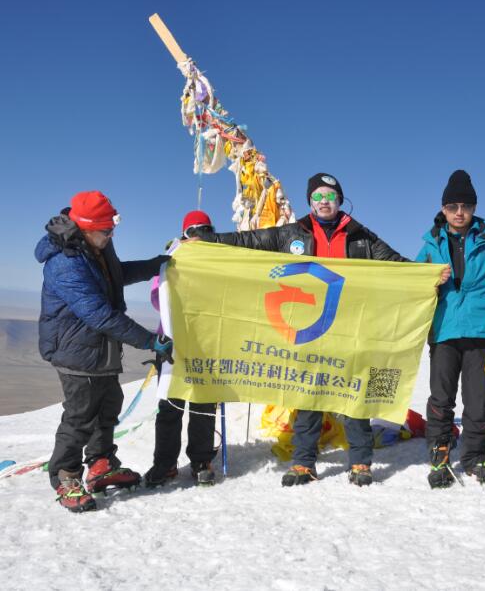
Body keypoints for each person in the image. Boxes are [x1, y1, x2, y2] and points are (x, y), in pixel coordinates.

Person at [198, 172, 419, 487]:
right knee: (308, 396)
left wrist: (429, 275)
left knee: (353, 395)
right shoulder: (294, 233)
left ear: (339, 200)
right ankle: (303, 463)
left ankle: (360, 462)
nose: (324, 201)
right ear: (310, 202)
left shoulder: (361, 237)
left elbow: (397, 264)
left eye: (330, 196)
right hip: (309, 328)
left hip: (351, 328)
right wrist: (207, 241)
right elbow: (249, 242)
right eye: (317, 196)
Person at [35, 191, 173, 512]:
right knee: (80, 416)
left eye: (113, 229)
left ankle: (100, 465)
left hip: (100, 348)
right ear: (86, 228)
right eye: (106, 230)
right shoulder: (65, 261)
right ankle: (66, 477)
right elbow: (99, 315)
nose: (111, 235)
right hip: (75, 349)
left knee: (109, 404)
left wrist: (155, 265)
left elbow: (115, 275)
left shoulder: (96, 244)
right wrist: (149, 340)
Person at [416, 170, 485, 488]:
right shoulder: (430, 245)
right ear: (443, 208)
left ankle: (475, 457)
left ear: (474, 208)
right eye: (453, 206)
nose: (459, 212)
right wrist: (432, 281)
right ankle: (439, 455)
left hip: (482, 333)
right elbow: (414, 288)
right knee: (441, 398)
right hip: (444, 332)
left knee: (477, 401)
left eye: (466, 206)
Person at [144, 210, 218, 488]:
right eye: (193, 230)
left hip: (207, 342)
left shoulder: (221, 260)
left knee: (203, 404)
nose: (199, 236)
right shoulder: (171, 257)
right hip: (172, 342)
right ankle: (165, 464)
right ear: (184, 233)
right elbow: (157, 298)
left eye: (205, 230)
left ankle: (201, 460)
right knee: (170, 405)